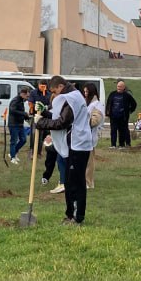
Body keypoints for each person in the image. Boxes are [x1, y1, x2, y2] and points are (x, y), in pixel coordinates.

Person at [34, 76, 94, 224]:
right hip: (73, 144)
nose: (54, 95)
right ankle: (70, 214)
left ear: (61, 87)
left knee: (75, 182)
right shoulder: (70, 96)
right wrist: (45, 113)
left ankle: (77, 217)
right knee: (68, 180)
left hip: (78, 145)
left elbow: (62, 122)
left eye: (54, 91)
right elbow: (59, 115)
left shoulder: (72, 98)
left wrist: (41, 122)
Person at [82, 82, 105, 190]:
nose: (85, 93)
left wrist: (83, 121)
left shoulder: (97, 105)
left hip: (90, 136)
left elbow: (95, 121)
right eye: (84, 91)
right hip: (84, 136)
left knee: (89, 162)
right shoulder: (89, 103)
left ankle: (89, 182)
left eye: (87, 91)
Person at [105, 79, 138, 148]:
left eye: (120, 87)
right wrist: (107, 113)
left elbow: (134, 104)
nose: (118, 88)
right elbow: (108, 104)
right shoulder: (112, 94)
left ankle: (121, 144)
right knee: (113, 131)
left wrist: (130, 111)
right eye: (117, 86)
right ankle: (113, 144)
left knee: (122, 131)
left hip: (123, 117)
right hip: (113, 116)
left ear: (123, 87)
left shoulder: (127, 95)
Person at [7, 85, 32, 163]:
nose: (27, 98)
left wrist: (26, 117)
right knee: (13, 141)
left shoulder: (21, 101)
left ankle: (13, 153)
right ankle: (12, 158)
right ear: (22, 94)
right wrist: (24, 113)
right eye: (27, 96)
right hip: (13, 124)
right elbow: (12, 110)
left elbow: (21, 112)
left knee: (23, 140)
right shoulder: (15, 100)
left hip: (20, 124)